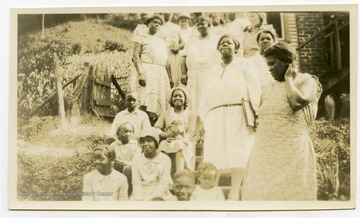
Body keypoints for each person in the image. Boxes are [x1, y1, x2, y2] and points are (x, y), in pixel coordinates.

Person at [242, 42, 322, 200]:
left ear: (288, 63)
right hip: (264, 152)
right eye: (267, 64)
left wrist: (289, 80)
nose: (269, 68)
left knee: (292, 197)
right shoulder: (267, 88)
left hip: (292, 151)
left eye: (272, 64)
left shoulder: (307, 82)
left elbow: (296, 102)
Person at [199, 34, 261, 200]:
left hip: (238, 112)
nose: (225, 45)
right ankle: (213, 191)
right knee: (214, 153)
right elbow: (204, 95)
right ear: (218, 49)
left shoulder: (245, 64)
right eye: (221, 43)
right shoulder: (212, 70)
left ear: (236, 47)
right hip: (215, 115)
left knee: (238, 151)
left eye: (229, 42)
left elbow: (254, 88)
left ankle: (234, 191)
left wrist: (257, 113)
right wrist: (203, 117)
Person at [180, 15, 221, 138]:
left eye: (203, 23)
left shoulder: (216, 40)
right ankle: (194, 133)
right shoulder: (191, 40)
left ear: (209, 25)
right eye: (198, 24)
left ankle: (209, 133)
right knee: (193, 103)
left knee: (208, 102)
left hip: (210, 76)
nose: (201, 26)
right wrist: (183, 73)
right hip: (193, 76)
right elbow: (183, 57)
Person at [133, 14, 172, 125]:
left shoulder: (162, 41)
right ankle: (139, 124)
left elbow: (166, 60)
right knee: (144, 98)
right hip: (146, 70)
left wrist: (169, 77)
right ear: (147, 24)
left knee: (157, 101)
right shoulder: (141, 37)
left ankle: (152, 126)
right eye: (154, 22)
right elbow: (135, 56)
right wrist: (141, 73)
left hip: (160, 73)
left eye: (159, 24)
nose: (157, 24)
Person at [154, 87, 196, 175]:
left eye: (180, 96)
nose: (177, 98)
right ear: (171, 99)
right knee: (162, 144)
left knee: (179, 144)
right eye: (175, 96)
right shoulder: (166, 113)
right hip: (169, 140)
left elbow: (191, 132)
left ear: (185, 99)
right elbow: (156, 128)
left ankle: (179, 174)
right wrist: (165, 134)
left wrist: (181, 138)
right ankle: (164, 175)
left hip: (184, 141)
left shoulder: (190, 114)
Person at [131, 127, 173, 201]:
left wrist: (154, 199)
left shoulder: (165, 160)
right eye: (143, 141)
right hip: (142, 192)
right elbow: (136, 183)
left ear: (156, 143)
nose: (145, 144)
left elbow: (163, 182)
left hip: (160, 193)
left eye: (149, 141)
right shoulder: (136, 161)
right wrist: (139, 199)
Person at [110, 122, 141, 196]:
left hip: (130, 171)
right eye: (124, 132)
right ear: (118, 134)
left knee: (128, 170)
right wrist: (113, 163)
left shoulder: (136, 146)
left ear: (133, 133)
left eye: (130, 132)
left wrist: (124, 164)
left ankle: (127, 192)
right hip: (115, 169)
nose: (128, 134)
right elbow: (109, 158)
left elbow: (136, 162)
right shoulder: (113, 145)